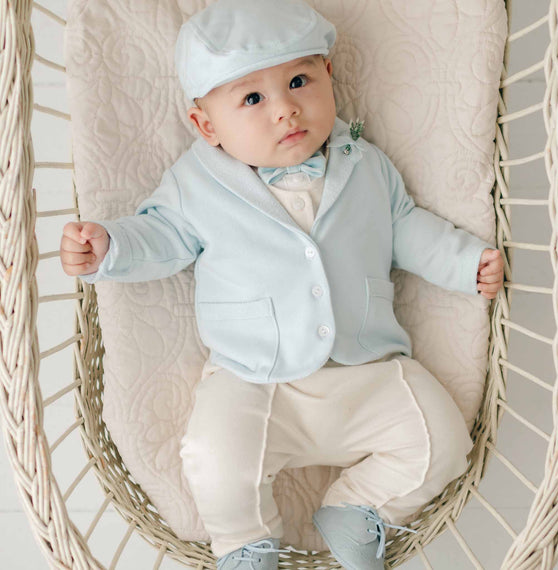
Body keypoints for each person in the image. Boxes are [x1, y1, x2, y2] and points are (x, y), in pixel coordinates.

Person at [59, 0, 505, 568]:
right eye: (252, 98)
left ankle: (358, 506)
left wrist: (464, 264)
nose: (286, 110)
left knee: (445, 440)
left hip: (366, 367)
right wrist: (110, 246)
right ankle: (246, 543)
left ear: (330, 78)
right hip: (255, 377)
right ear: (206, 126)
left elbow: (405, 226)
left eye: (299, 81)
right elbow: (162, 235)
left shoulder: (363, 163)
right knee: (214, 459)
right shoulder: (196, 183)